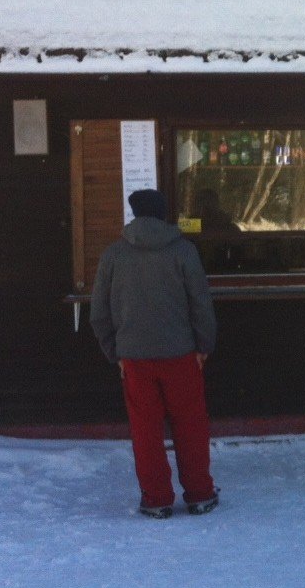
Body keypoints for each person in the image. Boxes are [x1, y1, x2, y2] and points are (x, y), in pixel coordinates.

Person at [90, 188, 220, 518]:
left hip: (134, 357)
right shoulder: (184, 251)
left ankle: (157, 498)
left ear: (134, 213)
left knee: (145, 431)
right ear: (163, 213)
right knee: (190, 426)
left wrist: (115, 352)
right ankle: (200, 494)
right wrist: (204, 346)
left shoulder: (114, 255)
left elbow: (99, 312)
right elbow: (200, 304)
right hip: (181, 354)